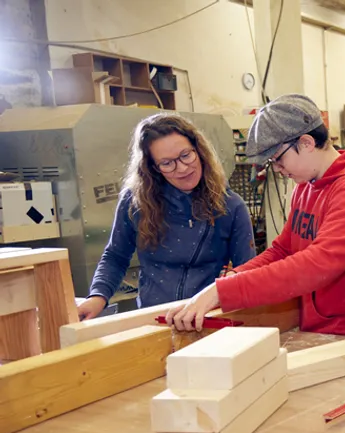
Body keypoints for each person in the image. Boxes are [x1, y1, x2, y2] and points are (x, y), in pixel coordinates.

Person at [166, 94, 345, 339]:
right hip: (320, 329)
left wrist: (223, 292)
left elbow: (318, 264)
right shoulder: (305, 186)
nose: (277, 169)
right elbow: (284, 250)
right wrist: (237, 275)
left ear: (306, 143)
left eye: (278, 159)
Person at [78, 114, 255, 320]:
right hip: (153, 319)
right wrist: (97, 297)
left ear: (199, 151)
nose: (182, 168)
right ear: (153, 168)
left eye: (186, 155)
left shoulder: (231, 207)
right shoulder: (135, 202)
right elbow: (116, 257)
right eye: (167, 163)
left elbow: (247, 271)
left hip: (206, 321)